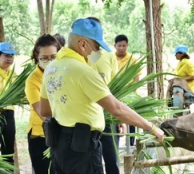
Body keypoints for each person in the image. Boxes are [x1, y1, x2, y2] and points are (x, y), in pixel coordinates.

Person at [40, 18, 164, 174]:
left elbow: (44, 110)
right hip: (82, 147)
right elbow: (117, 109)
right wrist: (152, 128)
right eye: (97, 46)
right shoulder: (83, 71)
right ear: (83, 44)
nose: (98, 52)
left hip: (59, 145)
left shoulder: (51, 68)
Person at [86, 16, 126, 174]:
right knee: (89, 161)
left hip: (108, 116)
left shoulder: (109, 56)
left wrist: (120, 118)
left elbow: (116, 88)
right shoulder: (78, 58)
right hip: (86, 117)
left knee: (111, 159)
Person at [25, 34, 61, 174]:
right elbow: (43, 114)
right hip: (41, 136)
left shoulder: (64, 73)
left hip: (63, 134)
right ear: (36, 56)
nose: (49, 61)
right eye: (44, 58)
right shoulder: (32, 81)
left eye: (53, 57)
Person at [114, 34, 140, 146]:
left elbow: (137, 79)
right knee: (115, 120)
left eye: (124, 46)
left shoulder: (133, 60)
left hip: (130, 95)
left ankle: (131, 144)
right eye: (119, 45)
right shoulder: (110, 59)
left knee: (131, 119)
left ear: (127, 46)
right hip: (114, 95)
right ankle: (115, 144)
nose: (121, 48)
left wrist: (131, 93)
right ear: (114, 45)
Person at [0, 42, 17, 164]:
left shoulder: (13, 75)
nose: (9, 59)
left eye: (11, 56)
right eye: (6, 55)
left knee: (8, 152)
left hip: (9, 115)